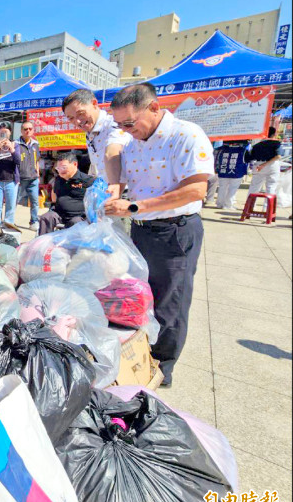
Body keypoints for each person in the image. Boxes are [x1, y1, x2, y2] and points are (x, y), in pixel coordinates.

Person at [104, 83, 214, 388]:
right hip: (142, 230)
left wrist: (136, 205)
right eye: (120, 124)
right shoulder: (134, 140)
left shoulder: (186, 135)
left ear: (154, 108)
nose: (126, 130)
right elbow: (114, 151)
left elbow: (196, 190)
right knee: (143, 297)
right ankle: (141, 354)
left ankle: (162, 367)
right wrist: (115, 189)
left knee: (170, 303)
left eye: (130, 123)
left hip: (174, 231)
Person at [62, 88, 131, 197]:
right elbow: (96, 165)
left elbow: (112, 152)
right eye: (71, 118)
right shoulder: (90, 132)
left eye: (81, 113)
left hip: (123, 192)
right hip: (105, 191)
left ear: (94, 103)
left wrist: (115, 185)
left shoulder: (113, 124)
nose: (77, 121)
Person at [38, 152, 94, 235]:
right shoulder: (58, 180)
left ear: (75, 164)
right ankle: (44, 244)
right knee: (46, 217)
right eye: (58, 168)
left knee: (75, 223)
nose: (61, 171)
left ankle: (71, 246)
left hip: (79, 216)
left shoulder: (88, 181)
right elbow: (55, 198)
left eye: (64, 167)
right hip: (59, 214)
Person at [0, 122, 21, 229]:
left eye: (6, 132)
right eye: (1, 132)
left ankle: (8, 226)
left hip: (11, 180)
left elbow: (18, 161)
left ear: (10, 133)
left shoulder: (15, 145)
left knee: (10, 207)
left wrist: (11, 149)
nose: (3, 134)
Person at [17, 121, 41, 231]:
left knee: (35, 202)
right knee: (15, 201)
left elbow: (37, 160)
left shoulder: (36, 144)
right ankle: (10, 221)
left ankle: (34, 221)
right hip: (20, 179)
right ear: (21, 131)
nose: (28, 131)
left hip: (33, 178)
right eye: (25, 129)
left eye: (30, 129)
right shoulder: (16, 144)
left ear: (33, 130)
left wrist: (38, 175)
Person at [215, 140, 250, 210]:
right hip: (237, 172)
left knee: (222, 188)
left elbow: (217, 160)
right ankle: (228, 205)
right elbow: (248, 160)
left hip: (223, 172)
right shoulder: (243, 150)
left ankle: (219, 203)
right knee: (232, 189)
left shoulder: (221, 149)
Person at [247, 126, 282, 195]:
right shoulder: (276, 143)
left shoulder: (256, 145)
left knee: (254, 187)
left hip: (258, 165)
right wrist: (265, 164)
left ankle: (250, 205)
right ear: (274, 134)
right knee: (271, 186)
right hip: (272, 165)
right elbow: (278, 156)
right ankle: (268, 205)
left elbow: (251, 157)